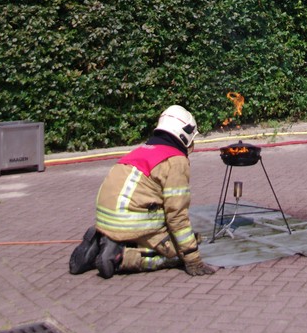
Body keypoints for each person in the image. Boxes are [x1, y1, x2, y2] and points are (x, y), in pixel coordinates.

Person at [69, 105, 216, 278]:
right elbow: (176, 215)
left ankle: (104, 240)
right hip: (131, 222)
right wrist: (192, 258)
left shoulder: (142, 150)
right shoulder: (176, 161)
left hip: (105, 220)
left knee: (175, 237)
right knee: (176, 253)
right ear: (185, 134)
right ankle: (119, 257)